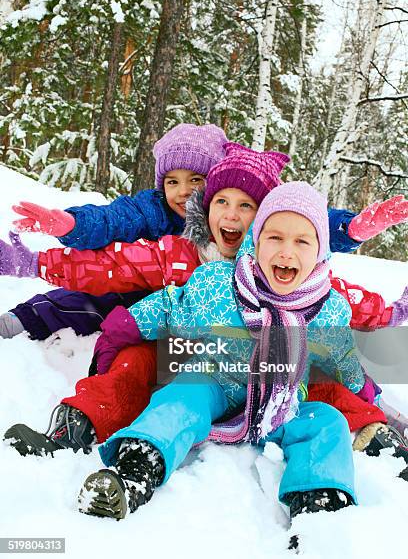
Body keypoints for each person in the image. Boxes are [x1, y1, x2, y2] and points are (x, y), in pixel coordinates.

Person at [2, 147, 407, 457]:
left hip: (272, 371)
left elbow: (348, 303)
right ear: (206, 208)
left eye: (246, 205)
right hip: (193, 361)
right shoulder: (182, 253)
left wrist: (393, 314)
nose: (231, 215)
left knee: (322, 378)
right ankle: (76, 425)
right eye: (221, 202)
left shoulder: (289, 268)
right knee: (135, 363)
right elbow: (111, 267)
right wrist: (37, 262)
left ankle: (378, 440)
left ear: (265, 218)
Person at [76, 182, 365, 545]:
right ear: (256, 241)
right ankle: (136, 468)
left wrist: (364, 388)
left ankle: (320, 508)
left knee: (328, 422)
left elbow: (343, 357)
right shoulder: (218, 285)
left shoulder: (330, 308)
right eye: (274, 237)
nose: (286, 252)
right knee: (181, 395)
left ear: (321, 252)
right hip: (214, 380)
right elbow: (170, 306)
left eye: (302, 241)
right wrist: (123, 328)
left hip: (282, 400)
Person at [0, 123, 228, 340]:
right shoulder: (153, 209)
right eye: (172, 182)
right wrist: (74, 224)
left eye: (196, 180)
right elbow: (113, 219)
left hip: (196, 319)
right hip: (142, 296)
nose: (183, 191)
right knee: (97, 289)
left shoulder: (227, 222)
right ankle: (24, 319)